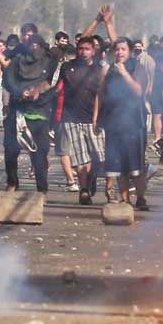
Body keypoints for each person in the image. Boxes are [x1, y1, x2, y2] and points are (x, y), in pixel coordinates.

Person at [3, 36, 61, 193]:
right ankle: (12, 183)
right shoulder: (17, 61)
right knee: (10, 151)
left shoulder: (50, 63)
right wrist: (20, 93)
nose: (34, 48)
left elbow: (55, 86)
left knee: (40, 154)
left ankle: (42, 189)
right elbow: (7, 81)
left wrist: (39, 96)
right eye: (31, 45)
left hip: (40, 115)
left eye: (38, 45)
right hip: (17, 113)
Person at [98, 39, 149, 209]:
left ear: (130, 52)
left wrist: (124, 73)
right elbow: (101, 94)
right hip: (114, 123)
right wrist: (97, 118)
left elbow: (138, 90)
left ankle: (140, 198)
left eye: (123, 49)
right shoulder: (108, 70)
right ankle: (125, 200)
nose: (120, 52)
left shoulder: (138, 68)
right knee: (119, 166)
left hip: (134, 123)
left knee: (136, 166)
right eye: (117, 49)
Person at [57, 36, 105, 204]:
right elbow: (55, 89)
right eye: (80, 49)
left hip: (93, 120)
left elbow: (102, 95)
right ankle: (83, 190)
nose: (83, 52)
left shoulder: (99, 70)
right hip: (71, 118)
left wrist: (97, 117)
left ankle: (91, 177)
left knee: (99, 157)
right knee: (80, 158)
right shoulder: (68, 67)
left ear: (93, 51)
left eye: (87, 49)